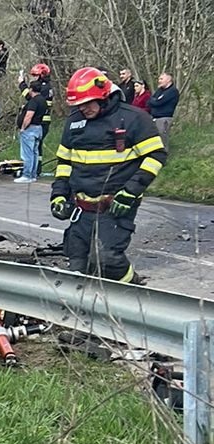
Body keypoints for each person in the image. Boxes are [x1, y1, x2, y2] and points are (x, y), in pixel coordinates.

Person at [49, 66, 167, 283]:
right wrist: (58, 195)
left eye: (87, 103)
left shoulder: (134, 118)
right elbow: (64, 162)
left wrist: (131, 192)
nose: (83, 109)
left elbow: (156, 156)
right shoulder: (74, 122)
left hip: (115, 206)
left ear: (103, 95)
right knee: (76, 260)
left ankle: (132, 290)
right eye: (79, 105)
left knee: (107, 259)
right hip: (81, 208)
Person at [16, 82, 47, 182]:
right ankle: (33, 174)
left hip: (30, 129)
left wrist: (23, 128)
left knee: (27, 153)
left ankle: (26, 175)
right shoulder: (43, 100)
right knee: (34, 153)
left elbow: (29, 116)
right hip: (39, 128)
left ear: (31, 89)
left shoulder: (34, 101)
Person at [149, 73, 179, 139]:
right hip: (154, 118)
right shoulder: (159, 90)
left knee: (162, 140)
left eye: (161, 79)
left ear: (168, 79)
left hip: (163, 119)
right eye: (159, 79)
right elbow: (149, 101)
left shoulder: (172, 91)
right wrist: (155, 100)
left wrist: (155, 101)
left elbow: (158, 103)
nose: (159, 81)